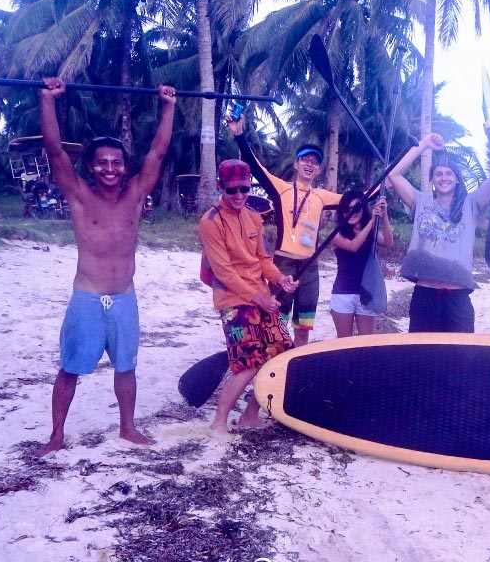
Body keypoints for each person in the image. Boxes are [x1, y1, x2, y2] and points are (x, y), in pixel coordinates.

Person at [34, 77, 175, 458]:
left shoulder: (135, 194)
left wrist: (168, 106)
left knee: (126, 367)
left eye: (116, 162)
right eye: (102, 163)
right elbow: (54, 151)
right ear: (92, 167)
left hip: (124, 299)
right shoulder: (79, 195)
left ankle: (127, 427)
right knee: (70, 369)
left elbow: (158, 153)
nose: (109, 168)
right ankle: (56, 435)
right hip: (88, 298)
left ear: (124, 167)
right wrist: (48, 100)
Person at [199, 159, 298, 435]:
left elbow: (264, 260)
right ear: (220, 187)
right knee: (249, 361)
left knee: (281, 355)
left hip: (261, 296)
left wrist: (280, 279)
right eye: (232, 190)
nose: (239, 195)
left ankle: (249, 415)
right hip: (233, 299)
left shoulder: (254, 216)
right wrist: (259, 298)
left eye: (244, 188)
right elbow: (223, 273)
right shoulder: (210, 222)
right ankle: (219, 422)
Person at [225, 115, 341, 346]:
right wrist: (239, 134)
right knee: (277, 323)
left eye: (314, 162)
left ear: (318, 169)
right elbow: (255, 168)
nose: (309, 164)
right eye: (305, 159)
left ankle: (297, 363)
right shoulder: (282, 189)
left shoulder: (321, 196)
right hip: (283, 265)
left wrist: (388, 180)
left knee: (303, 327)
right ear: (296, 164)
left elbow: (356, 199)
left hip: (310, 267)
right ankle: (274, 361)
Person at [385, 132, 490, 333]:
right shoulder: (420, 202)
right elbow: (394, 175)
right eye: (438, 174)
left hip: (458, 299)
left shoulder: (470, 204)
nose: (444, 178)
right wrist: (423, 144)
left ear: (457, 180)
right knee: (422, 351)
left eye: (449, 174)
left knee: (459, 352)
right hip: (424, 296)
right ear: (432, 180)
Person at [329, 189, 393, 337]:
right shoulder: (337, 233)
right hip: (343, 293)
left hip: (366, 292)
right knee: (344, 343)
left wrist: (384, 216)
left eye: (356, 208)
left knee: (366, 342)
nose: (351, 213)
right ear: (341, 212)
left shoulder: (370, 231)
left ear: (363, 209)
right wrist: (372, 221)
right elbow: (353, 246)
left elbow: (388, 242)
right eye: (346, 209)